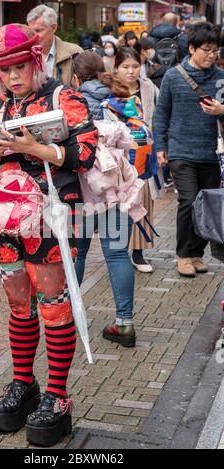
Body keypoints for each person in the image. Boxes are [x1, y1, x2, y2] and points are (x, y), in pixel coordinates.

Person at [0, 24, 97, 446]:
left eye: (20, 67)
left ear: (36, 62)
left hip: (51, 223)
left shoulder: (63, 98)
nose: (13, 77)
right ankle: (24, 383)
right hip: (4, 226)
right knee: (20, 305)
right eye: (4, 71)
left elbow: (85, 153)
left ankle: (57, 395)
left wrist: (37, 150)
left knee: (54, 306)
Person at [72, 50, 136, 348]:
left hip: (83, 189)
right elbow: (138, 138)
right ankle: (124, 324)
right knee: (118, 254)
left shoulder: (70, 102)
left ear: (75, 77)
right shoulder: (121, 97)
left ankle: (69, 318)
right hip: (116, 187)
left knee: (79, 254)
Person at [154, 22, 224, 277]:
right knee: (188, 200)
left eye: (215, 50)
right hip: (181, 151)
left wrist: (221, 111)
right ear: (192, 48)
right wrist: (160, 146)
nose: (211, 55)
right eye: (206, 49)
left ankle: (197, 254)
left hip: (213, 153)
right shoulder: (174, 76)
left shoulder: (221, 79)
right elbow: (161, 115)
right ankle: (183, 255)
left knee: (207, 204)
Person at [100, 47, 159, 273]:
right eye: (125, 67)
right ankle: (117, 253)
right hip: (117, 157)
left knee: (142, 202)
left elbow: (159, 115)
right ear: (116, 68)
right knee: (118, 206)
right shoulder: (109, 90)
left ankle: (139, 252)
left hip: (144, 156)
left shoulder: (148, 88)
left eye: (135, 66)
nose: (131, 71)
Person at [27, 4, 82, 86]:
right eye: (31, 31)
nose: (34, 36)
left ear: (54, 28)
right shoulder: (25, 54)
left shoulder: (74, 53)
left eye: (38, 30)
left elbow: (83, 90)